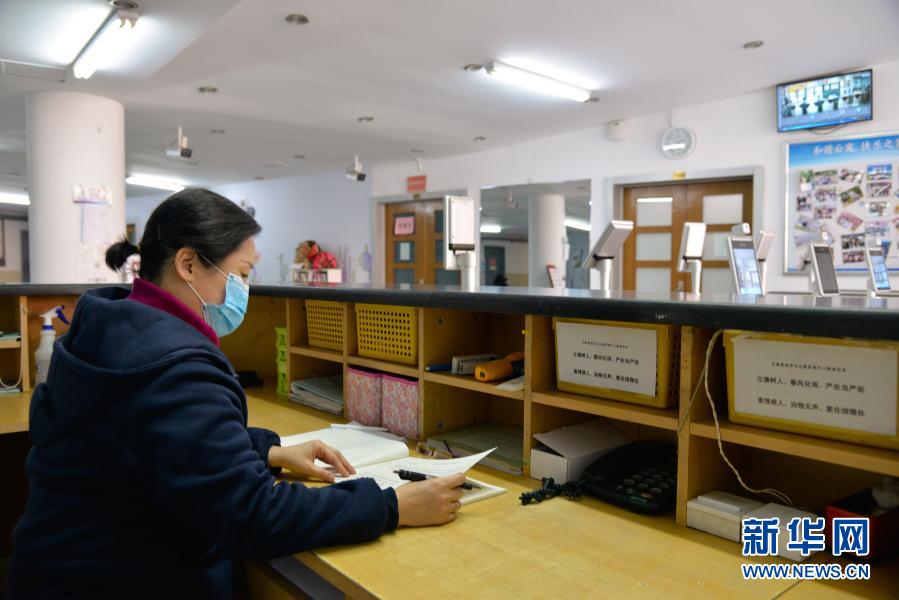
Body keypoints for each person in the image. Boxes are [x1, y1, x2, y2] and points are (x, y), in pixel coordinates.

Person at [10, 189, 464, 599]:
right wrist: (389, 506)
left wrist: (268, 451)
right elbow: (252, 515)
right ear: (188, 265)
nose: (244, 291)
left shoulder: (110, 331)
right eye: (241, 274)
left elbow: (148, 439)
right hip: (120, 581)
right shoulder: (176, 369)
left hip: (58, 569)